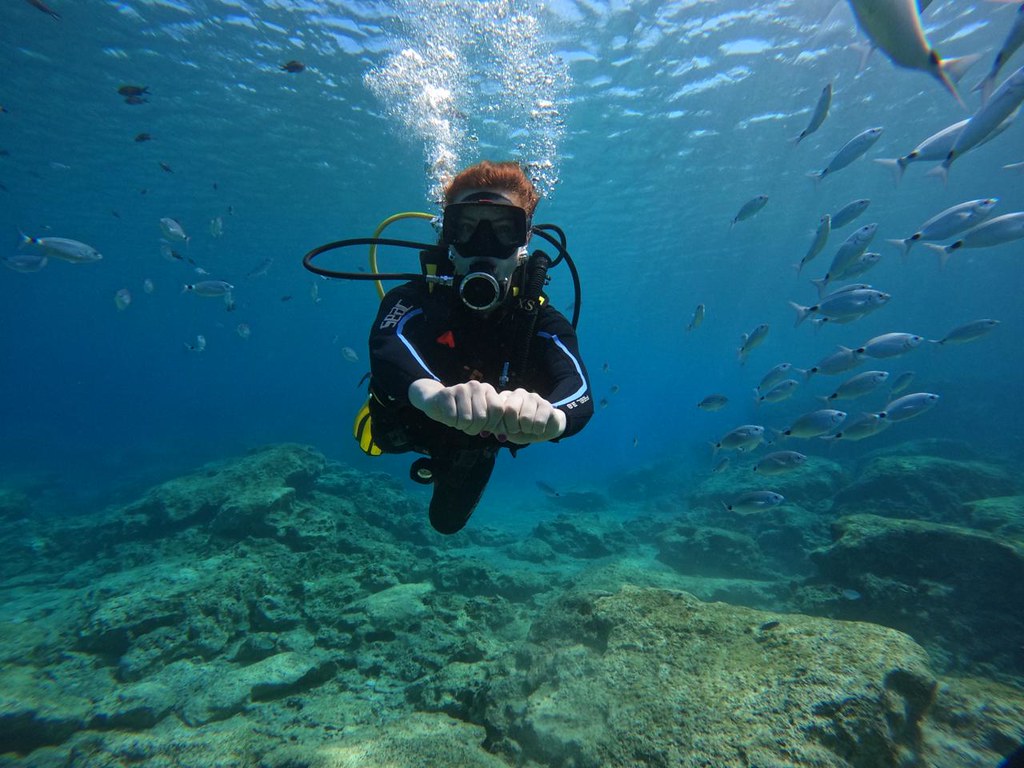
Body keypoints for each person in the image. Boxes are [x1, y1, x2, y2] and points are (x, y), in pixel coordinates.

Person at [364, 160, 593, 534]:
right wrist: (430, 395)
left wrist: (554, 417)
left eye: (504, 230)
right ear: (448, 238)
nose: (483, 246)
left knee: (446, 523)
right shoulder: (414, 298)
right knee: (378, 439)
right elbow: (388, 340)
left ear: (525, 241)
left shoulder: (539, 319)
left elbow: (578, 388)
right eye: (466, 228)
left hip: (476, 441)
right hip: (408, 421)